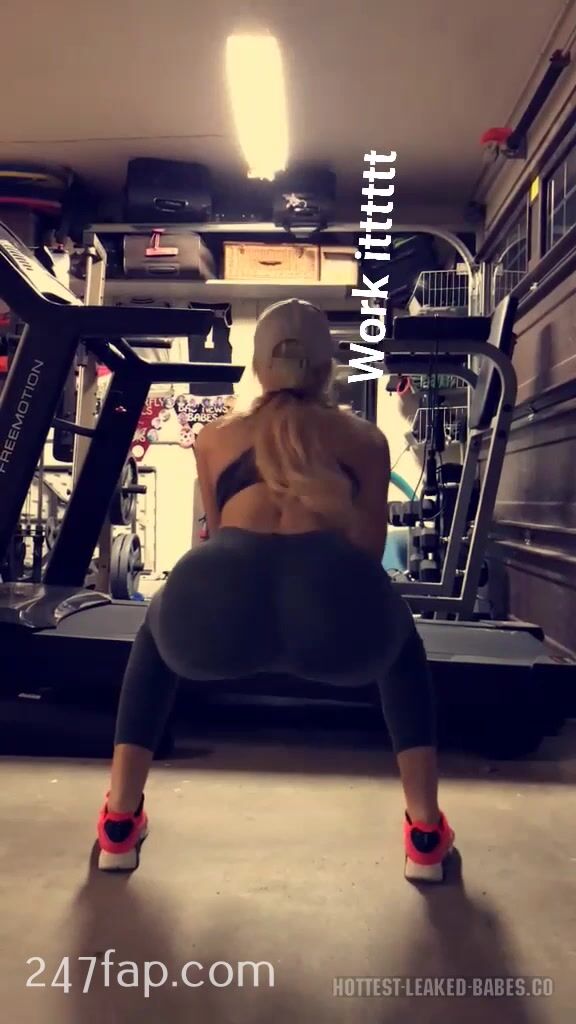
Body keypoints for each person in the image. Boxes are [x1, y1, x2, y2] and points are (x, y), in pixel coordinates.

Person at [97, 299, 454, 882]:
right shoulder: (365, 440)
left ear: (259, 367)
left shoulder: (214, 438)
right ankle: (426, 836)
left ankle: (118, 823)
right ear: (327, 366)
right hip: (332, 624)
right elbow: (367, 553)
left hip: (219, 618)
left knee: (155, 636)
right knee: (400, 645)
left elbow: (218, 533)